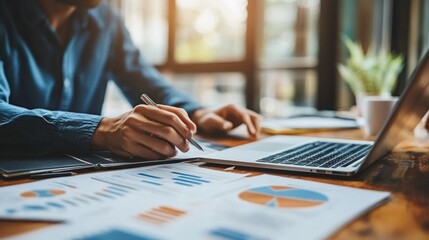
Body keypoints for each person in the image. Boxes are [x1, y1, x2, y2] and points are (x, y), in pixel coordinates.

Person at [0, 0, 261, 159]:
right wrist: (101, 130)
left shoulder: (107, 20)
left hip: (82, 176)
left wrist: (198, 112)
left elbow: (142, 78)